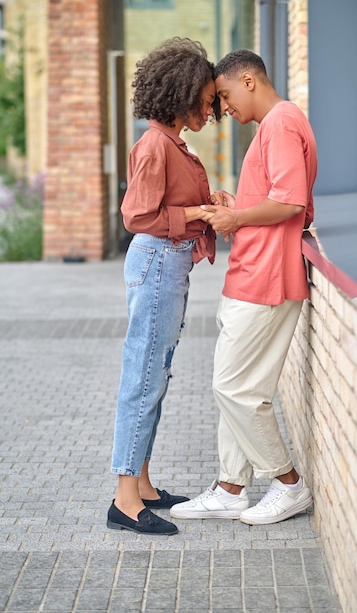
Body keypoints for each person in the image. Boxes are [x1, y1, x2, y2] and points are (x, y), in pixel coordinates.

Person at [170, 49, 317, 525]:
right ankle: (231, 488)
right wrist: (239, 206)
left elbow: (291, 203)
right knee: (240, 386)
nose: (224, 109)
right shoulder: (275, 126)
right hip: (254, 272)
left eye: (227, 96)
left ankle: (288, 483)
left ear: (250, 80)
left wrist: (238, 216)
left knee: (233, 388)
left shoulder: (279, 123)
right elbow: (271, 198)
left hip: (266, 277)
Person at [107, 37, 220, 536]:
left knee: (157, 373)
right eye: (208, 98)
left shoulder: (171, 143)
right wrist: (197, 212)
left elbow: (170, 204)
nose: (213, 107)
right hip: (157, 264)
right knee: (144, 377)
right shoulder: (156, 143)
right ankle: (124, 501)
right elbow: (137, 216)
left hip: (167, 265)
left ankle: (144, 485)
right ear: (184, 93)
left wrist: (209, 201)